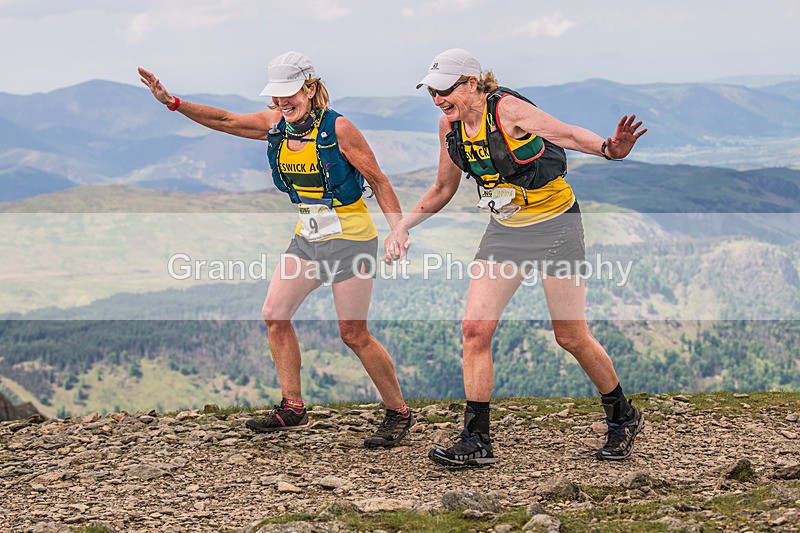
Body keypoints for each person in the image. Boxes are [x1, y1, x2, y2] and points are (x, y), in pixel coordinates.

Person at [384, 48, 647, 466]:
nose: (437, 99)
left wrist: (611, 149)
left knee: (570, 335)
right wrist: (401, 226)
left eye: (444, 90)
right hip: (505, 231)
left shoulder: (508, 110)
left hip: (557, 226)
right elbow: (442, 188)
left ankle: (623, 417)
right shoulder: (448, 126)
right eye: (432, 92)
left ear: (472, 83)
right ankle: (476, 439)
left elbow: (567, 135)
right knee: (475, 328)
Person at [138, 51, 414, 448]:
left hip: (351, 238)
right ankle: (293, 406)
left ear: (311, 89)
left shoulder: (341, 129)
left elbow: (380, 181)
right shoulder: (275, 125)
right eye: (278, 97)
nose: (283, 104)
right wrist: (173, 103)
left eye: (291, 95)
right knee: (274, 314)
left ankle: (398, 412)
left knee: (353, 333)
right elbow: (225, 120)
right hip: (307, 236)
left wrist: (397, 231)